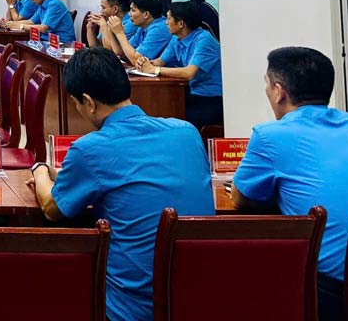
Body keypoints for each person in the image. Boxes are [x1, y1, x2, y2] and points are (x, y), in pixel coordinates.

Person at [28, 47, 213, 321]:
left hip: (129, 308)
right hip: (195, 298)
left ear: (89, 102)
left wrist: (41, 170)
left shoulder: (90, 149)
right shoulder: (186, 132)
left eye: (76, 104)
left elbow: (52, 208)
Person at [231, 47, 348, 321]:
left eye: (267, 85)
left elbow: (240, 199)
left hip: (330, 288)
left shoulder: (270, 135)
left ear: (279, 91)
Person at [133, 1, 223, 128]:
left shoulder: (204, 39)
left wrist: (155, 70)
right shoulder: (177, 38)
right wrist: (145, 63)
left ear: (180, 23)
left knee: (173, 116)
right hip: (191, 93)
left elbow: (189, 73)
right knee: (158, 108)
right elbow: (160, 61)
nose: (166, 22)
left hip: (211, 98)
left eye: (169, 18)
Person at [102, 0, 170, 62]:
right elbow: (121, 53)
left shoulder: (159, 29)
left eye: (133, 10)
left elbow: (136, 60)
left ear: (146, 14)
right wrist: (110, 28)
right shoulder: (142, 27)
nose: (129, 14)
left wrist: (120, 33)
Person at [11, 0, 75, 44]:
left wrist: (21, 26)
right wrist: (10, 24)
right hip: (46, 40)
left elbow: (43, 28)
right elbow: (31, 21)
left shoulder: (54, 4)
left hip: (62, 43)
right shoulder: (42, 4)